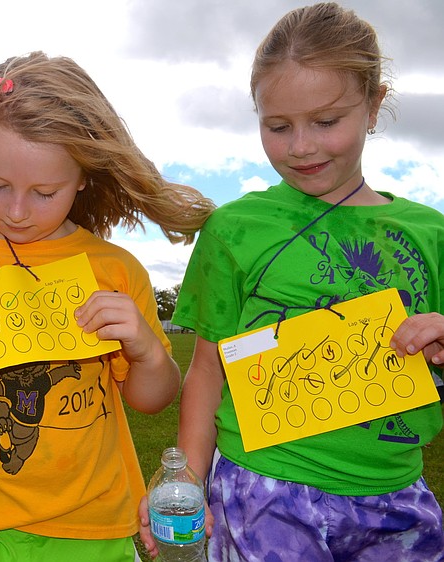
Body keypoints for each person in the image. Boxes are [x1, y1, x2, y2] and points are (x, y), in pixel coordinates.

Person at [138, 3, 444, 561]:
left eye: (327, 122)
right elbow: (207, 370)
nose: (301, 146)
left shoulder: (431, 234)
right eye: (277, 127)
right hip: (262, 491)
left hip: (394, 496)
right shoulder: (235, 229)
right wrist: (189, 488)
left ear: (374, 106)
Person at [0, 51, 214, 561]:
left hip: (94, 529)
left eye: (44, 192)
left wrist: (147, 352)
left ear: (83, 176)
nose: (16, 210)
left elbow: (150, 400)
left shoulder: (116, 269)